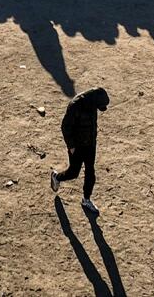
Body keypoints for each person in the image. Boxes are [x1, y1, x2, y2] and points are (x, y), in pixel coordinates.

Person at [49, 87, 109, 218]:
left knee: (90, 173)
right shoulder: (75, 105)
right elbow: (65, 126)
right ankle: (56, 177)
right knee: (73, 173)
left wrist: (93, 140)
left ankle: (86, 200)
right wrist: (71, 146)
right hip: (76, 146)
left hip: (90, 144)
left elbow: (92, 124)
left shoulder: (93, 103)